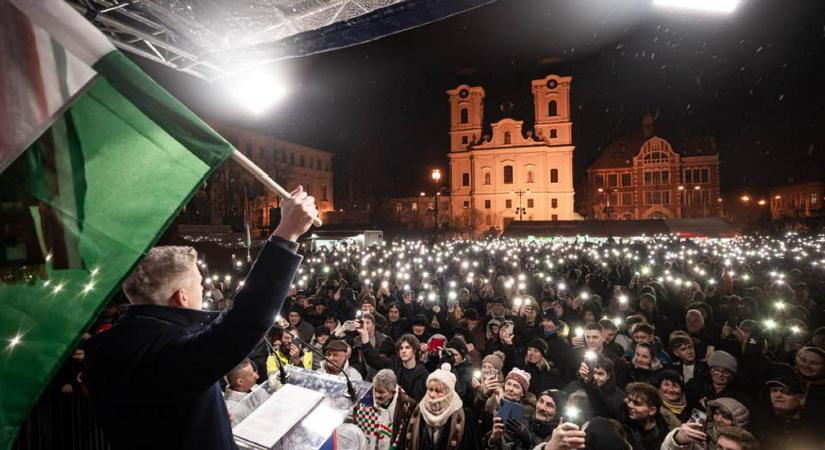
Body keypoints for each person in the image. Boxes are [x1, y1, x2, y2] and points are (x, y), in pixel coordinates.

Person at [84, 187, 315, 450]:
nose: (204, 289)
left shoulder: (104, 349)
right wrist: (287, 234)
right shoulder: (169, 352)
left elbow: (165, 412)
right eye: (200, 284)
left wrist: (206, 417)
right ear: (181, 297)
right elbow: (247, 319)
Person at [404, 364, 474, 450]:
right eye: (430, 389)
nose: (432, 395)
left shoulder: (464, 418)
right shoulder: (419, 411)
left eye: (438, 391)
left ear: (449, 393)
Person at [354, 369, 416, 450]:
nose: (376, 395)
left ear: (392, 392)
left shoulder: (406, 405)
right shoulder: (365, 395)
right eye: (375, 390)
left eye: (381, 392)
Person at [622, 382, 679, 450]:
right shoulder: (623, 426)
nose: (629, 405)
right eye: (629, 400)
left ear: (652, 411)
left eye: (636, 403)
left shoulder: (666, 432)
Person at [223, 358, 270, 426]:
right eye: (251, 374)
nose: (257, 376)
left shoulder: (256, 387)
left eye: (254, 371)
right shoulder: (231, 411)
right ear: (240, 382)